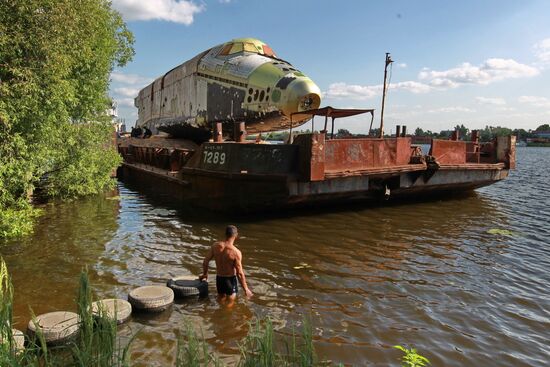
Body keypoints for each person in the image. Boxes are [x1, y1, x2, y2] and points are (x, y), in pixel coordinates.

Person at [199, 225, 253, 299]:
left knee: (221, 299)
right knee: (230, 304)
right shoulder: (236, 252)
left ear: (225, 234)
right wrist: (246, 289)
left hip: (219, 279)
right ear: (236, 235)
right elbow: (239, 273)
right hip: (230, 280)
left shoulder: (215, 246)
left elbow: (205, 261)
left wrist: (205, 274)